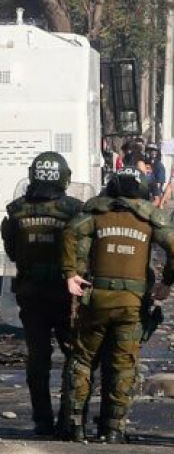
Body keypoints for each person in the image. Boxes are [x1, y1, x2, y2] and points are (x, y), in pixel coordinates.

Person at [63, 167, 174, 442]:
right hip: (131, 304)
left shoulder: (97, 214)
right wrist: (167, 282)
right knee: (123, 365)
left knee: (83, 361)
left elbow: (70, 234)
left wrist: (71, 274)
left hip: (96, 300)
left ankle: (74, 425)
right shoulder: (149, 218)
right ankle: (114, 428)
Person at [0, 152, 83, 437]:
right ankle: (70, 419)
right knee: (74, 357)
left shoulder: (16, 211)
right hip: (64, 296)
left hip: (31, 295)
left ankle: (42, 421)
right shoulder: (74, 210)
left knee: (38, 360)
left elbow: (12, 251)